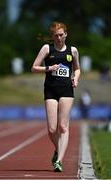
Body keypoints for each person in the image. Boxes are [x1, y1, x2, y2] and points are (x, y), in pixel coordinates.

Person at [31, 21, 81, 172]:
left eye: (61, 35)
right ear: (52, 36)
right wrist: (49, 68)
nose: (59, 38)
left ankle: (59, 161)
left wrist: (76, 78)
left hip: (66, 90)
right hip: (50, 90)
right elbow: (33, 68)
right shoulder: (47, 48)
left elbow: (77, 69)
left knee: (63, 126)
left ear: (66, 34)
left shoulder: (73, 51)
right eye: (56, 35)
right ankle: (58, 150)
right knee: (52, 129)